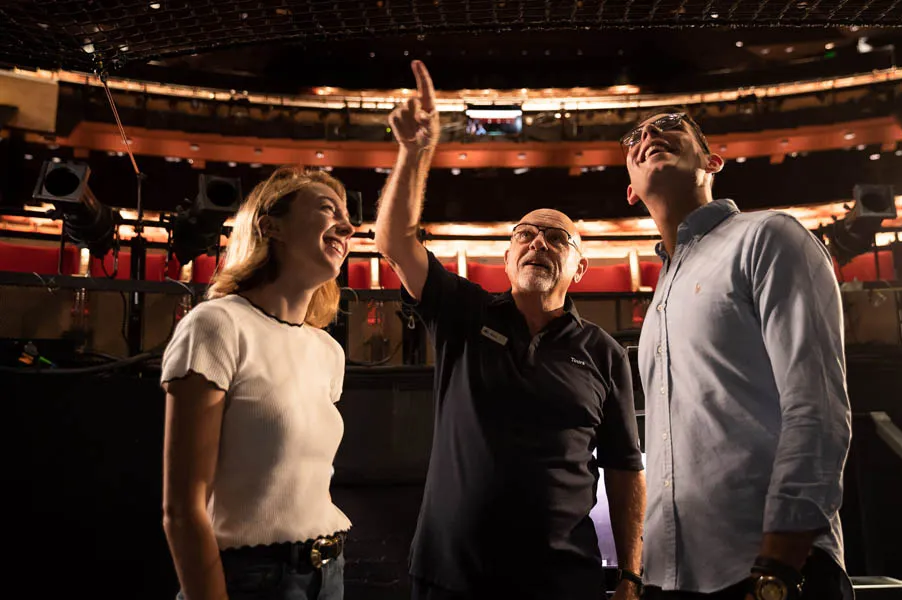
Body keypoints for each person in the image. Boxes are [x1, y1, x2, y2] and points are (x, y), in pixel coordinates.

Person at [375, 60, 647, 600]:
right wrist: (414, 153)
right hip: (451, 576)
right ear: (506, 256)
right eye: (525, 234)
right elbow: (395, 243)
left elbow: (622, 468)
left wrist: (631, 575)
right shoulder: (464, 313)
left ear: (580, 269)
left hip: (562, 581)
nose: (538, 244)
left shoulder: (604, 352)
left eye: (556, 238)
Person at [621, 111, 854, 600]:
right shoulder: (660, 293)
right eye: (635, 137)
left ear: (712, 161)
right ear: (631, 191)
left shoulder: (769, 236)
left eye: (669, 126)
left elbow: (818, 408)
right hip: (670, 578)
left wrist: (780, 561)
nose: (650, 136)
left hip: (771, 567)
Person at [161, 166, 356, 600]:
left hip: (330, 574)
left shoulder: (328, 351)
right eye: (328, 209)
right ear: (272, 226)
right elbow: (181, 510)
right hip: (253, 580)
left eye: (347, 215)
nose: (347, 226)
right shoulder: (216, 325)